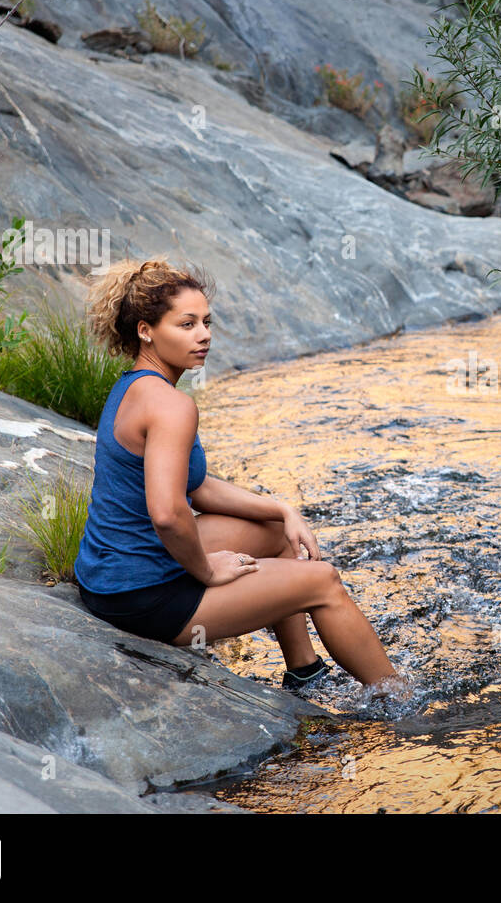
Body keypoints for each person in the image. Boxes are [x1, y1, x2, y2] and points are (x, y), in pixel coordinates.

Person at [72, 256, 405, 697]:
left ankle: (304, 672)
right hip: (141, 597)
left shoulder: (134, 385)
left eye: (206, 322)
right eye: (186, 324)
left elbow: (197, 488)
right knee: (323, 582)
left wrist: (282, 508)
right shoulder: (172, 406)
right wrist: (208, 572)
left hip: (110, 575)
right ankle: (403, 703)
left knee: (277, 534)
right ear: (145, 331)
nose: (204, 334)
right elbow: (169, 515)